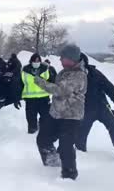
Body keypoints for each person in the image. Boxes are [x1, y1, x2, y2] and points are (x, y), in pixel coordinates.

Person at [34, 44, 87, 180]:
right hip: (56, 114)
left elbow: (61, 90)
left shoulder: (79, 75)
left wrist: (41, 82)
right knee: (43, 139)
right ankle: (53, 163)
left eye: (62, 58)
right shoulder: (64, 72)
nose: (60, 60)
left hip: (71, 117)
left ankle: (69, 175)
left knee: (66, 146)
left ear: (71, 59)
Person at [77, 53, 114, 160]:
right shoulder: (72, 76)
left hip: (102, 106)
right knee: (82, 131)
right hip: (86, 109)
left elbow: (108, 86)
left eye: (80, 61)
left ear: (84, 62)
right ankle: (80, 152)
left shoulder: (95, 73)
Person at [21, 53, 56, 134]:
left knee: (46, 116)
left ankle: (43, 130)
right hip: (30, 99)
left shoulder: (45, 69)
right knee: (30, 117)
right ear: (31, 61)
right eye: (34, 60)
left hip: (43, 98)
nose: (36, 62)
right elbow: (20, 83)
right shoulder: (25, 70)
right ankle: (31, 132)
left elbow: (52, 81)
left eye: (38, 60)